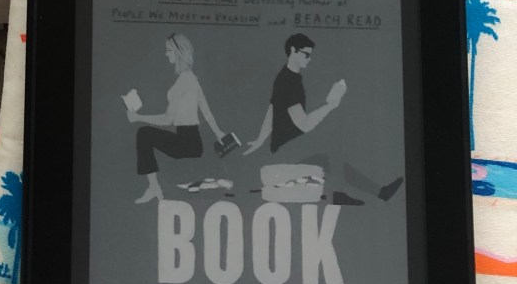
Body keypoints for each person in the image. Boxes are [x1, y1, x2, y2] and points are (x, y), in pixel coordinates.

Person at [241, 32, 402, 206]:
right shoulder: (288, 81)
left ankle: (378, 192)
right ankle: (342, 194)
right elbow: (303, 124)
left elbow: (272, 110)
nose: (309, 59)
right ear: (293, 51)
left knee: (332, 159)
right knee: (331, 145)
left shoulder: (287, 76)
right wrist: (330, 105)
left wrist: (260, 140)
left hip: (284, 145)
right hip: (288, 148)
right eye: (306, 54)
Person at [123, 34, 227, 203]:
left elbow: (167, 119)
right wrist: (218, 132)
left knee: (144, 134)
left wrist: (137, 117)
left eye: (169, 50)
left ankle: (155, 187)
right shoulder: (191, 77)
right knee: (146, 136)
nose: (166, 54)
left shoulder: (184, 81)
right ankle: (162, 186)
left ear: (179, 52)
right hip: (193, 142)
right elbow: (206, 110)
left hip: (185, 142)